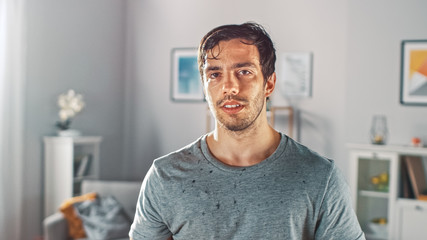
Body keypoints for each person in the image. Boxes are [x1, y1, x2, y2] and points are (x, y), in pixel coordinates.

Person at [129, 22, 365, 240]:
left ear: (269, 84)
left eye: (244, 72)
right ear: (204, 87)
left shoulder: (321, 178)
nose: (229, 86)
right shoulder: (165, 176)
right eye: (215, 74)